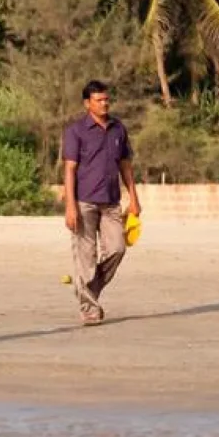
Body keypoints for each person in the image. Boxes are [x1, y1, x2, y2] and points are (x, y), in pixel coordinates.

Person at [61, 80, 140, 325]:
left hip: (111, 202)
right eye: (99, 100)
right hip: (83, 203)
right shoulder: (75, 131)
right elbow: (70, 169)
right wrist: (70, 205)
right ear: (87, 104)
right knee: (86, 258)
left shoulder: (118, 129)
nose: (104, 103)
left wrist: (134, 199)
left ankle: (89, 288)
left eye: (106, 99)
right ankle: (90, 309)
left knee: (117, 248)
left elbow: (125, 166)